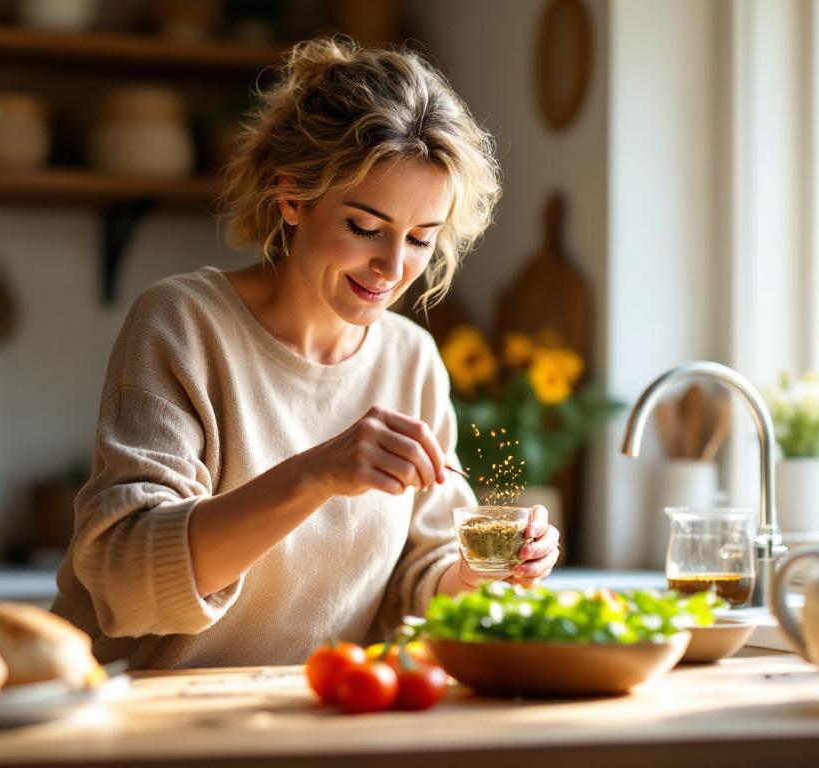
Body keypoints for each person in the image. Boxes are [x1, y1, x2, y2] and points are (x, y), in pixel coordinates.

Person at [52, 36, 560, 669]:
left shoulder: (412, 360)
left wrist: (486, 572)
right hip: (139, 717)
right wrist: (317, 473)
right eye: (364, 228)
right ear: (292, 197)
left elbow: (418, 589)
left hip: (303, 717)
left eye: (421, 240)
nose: (392, 267)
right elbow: (125, 578)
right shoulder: (183, 323)